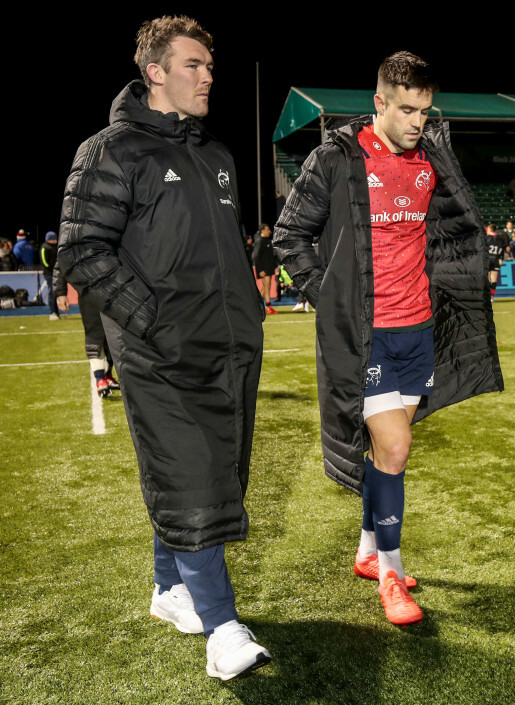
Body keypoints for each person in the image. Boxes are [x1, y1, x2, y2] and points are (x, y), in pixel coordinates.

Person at [56, 15, 270, 681]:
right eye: (193, 65)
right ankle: (223, 628)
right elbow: (81, 250)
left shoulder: (216, 155)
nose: (208, 77)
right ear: (156, 72)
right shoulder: (111, 151)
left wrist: (249, 315)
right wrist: (153, 322)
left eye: (210, 66)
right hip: (160, 353)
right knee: (194, 474)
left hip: (230, 349)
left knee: (216, 475)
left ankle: (169, 588)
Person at [273, 51, 503, 627]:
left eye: (424, 110)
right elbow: (289, 233)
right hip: (366, 335)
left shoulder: (433, 157)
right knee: (395, 449)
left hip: (419, 330)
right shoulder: (339, 156)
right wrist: (328, 297)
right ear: (379, 103)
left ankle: (365, 551)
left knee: (388, 452)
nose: (416, 121)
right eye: (405, 109)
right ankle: (391, 574)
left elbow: (454, 226)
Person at [53, 261, 121, 397]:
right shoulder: (74, 239)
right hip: (89, 291)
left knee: (114, 335)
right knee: (95, 335)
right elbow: (62, 260)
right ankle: (100, 378)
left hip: (116, 290)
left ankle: (107, 374)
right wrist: (60, 292)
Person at [251, 223, 278, 313]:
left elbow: (271, 256)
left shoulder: (267, 241)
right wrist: (260, 269)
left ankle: (257, 306)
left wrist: (275, 267)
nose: (269, 231)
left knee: (265, 287)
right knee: (267, 286)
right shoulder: (260, 241)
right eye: (267, 230)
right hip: (264, 269)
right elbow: (255, 256)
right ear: (262, 231)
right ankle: (268, 306)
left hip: (269, 268)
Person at [40, 231, 61, 320]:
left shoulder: (55, 247)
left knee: (55, 293)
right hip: (49, 274)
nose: (56, 240)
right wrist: (52, 269)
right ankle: (52, 312)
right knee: (52, 293)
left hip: (56, 273)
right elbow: (44, 262)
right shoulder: (45, 248)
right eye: (54, 239)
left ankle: (56, 312)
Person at [486, 224, 506, 302]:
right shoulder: (500, 239)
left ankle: (486, 296)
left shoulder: (486, 238)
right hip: (495, 259)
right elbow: (502, 251)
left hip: (487, 259)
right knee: (494, 279)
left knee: (486, 279)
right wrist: (501, 258)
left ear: (490, 230)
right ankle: (492, 297)